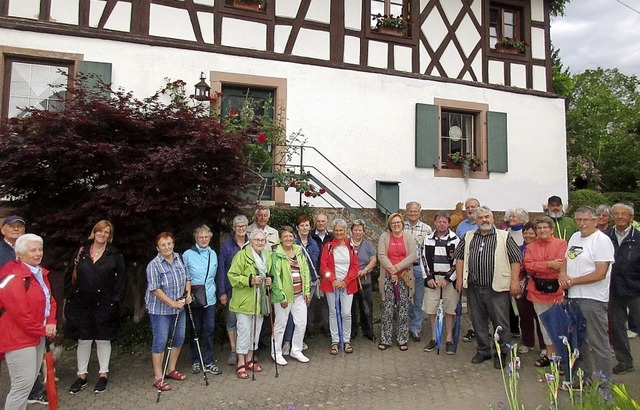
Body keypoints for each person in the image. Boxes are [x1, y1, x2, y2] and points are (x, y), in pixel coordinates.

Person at [454, 206, 522, 369]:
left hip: (497, 288)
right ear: (476, 221)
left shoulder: (504, 236)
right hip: (474, 287)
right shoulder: (468, 236)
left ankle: (502, 353)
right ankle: (483, 350)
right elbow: (460, 258)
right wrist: (459, 279)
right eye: (480, 218)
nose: (484, 220)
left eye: (487, 217)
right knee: (478, 322)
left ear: (492, 219)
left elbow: (515, 260)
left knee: (501, 322)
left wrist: (514, 282)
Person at [64, 220, 126, 395]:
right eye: (100, 231)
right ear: (94, 232)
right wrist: (69, 298)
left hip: (105, 302)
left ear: (110, 235)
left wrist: (115, 302)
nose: (103, 235)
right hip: (81, 302)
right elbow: (69, 276)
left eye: (107, 232)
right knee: (83, 339)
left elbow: (121, 281)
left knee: (103, 338)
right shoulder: (81, 251)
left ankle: (103, 374)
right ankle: (81, 376)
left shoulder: (115, 254)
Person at [0, 234, 57, 409]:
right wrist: (43, 330)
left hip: (36, 334)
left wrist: (51, 322)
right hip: (18, 337)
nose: (38, 253)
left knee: (30, 380)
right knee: (21, 385)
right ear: (21, 253)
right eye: (33, 250)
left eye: (40, 249)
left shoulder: (38, 273)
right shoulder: (13, 276)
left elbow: (50, 300)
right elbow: (20, 313)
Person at [559, 206, 615, 379]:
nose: (582, 224)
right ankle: (585, 379)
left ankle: (605, 384)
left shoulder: (602, 241)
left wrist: (573, 281)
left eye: (586, 220)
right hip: (573, 297)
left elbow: (600, 273)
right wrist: (562, 274)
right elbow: (566, 260)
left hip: (593, 299)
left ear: (595, 221)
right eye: (579, 220)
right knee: (579, 342)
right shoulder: (575, 237)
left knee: (598, 343)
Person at [145, 232, 191, 392]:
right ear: (157, 248)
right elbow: (155, 290)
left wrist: (188, 294)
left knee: (179, 337)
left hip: (179, 307)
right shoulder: (154, 265)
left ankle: (171, 369)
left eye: (169, 243)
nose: (167, 247)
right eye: (163, 245)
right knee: (161, 340)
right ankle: (158, 377)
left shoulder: (180, 258)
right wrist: (173, 303)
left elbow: (187, 278)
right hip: (160, 310)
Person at [523, 216, 567, 367]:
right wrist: (549, 264)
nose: (542, 231)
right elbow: (529, 266)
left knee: (559, 324)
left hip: (557, 291)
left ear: (552, 230)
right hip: (537, 290)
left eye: (545, 228)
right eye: (539, 228)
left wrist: (540, 265)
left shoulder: (561, 244)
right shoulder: (530, 247)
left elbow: (561, 263)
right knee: (544, 325)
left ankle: (562, 357)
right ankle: (549, 355)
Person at [227, 230, 272, 379]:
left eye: (262, 240)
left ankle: (250, 359)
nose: (260, 242)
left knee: (256, 331)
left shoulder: (267, 256)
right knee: (244, 331)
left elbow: (268, 274)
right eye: (257, 240)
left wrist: (268, 281)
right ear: (251, 241)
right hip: (244, 301)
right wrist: (248, 281)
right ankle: (240, 362)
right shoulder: (241, 255)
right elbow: (232, 276)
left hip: (259, 301)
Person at [183, 225, 222, 375]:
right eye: (201, 237)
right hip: (195, 297)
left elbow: (215, 275)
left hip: (210, 297)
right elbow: (184, 276)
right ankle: (195, 360)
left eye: (206, 237)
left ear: (210, 238)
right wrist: (187, 293)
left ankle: (209, 360)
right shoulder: (187, 254)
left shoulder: (213, 254)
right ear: (196, 239)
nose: (204, 239)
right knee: (195, 329)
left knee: (210, 329)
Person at [606, 203, 640, 375]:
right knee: (618, 327)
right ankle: (625, 362)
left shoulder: (638, 237)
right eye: (616, 214)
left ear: (631, 217)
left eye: (623, 214)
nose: (620, 217)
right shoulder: (606, 237)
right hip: (613, 289)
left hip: (635, 289)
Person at [270, 226, 311, 365]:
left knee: (301, 323)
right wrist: (281, 297)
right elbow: (275, 277)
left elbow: (305, 271)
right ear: (280, 239)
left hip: (299, 295)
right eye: (285, 236)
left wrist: (306, 291)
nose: (288, 239)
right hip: (284, 297)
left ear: (294, 237)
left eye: (290, 236)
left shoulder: (299, 251)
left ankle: (296, 350)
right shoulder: (276, 254)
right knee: (280, 325)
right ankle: (276, 352)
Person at [421, 212, 460, 355]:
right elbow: (423, 259)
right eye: (439, 222)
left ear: (448, 223)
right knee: (432, 309)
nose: (441, 224)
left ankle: (449, 339)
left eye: (444, 222)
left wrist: (448, 278)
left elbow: (458, 262)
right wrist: (429, 278)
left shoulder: (455, 240)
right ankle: (434, 337)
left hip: (449, 280)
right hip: (433, 279)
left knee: (450, 310)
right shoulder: (428, 239)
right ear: (435, 223)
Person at [378, 213, 417, 351]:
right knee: (387, 308)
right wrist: (392, 271)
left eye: (398, 222)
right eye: (393, 223)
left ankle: (402, 338)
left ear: (402, 223)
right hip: (388, 277)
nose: (396, 225)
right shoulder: (384, 237)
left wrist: (398, 269)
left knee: (403, 308)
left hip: (404, 277)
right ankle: (385, 338)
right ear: (389, 225)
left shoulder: (408, 237)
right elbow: (381, 255)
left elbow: (413, 255)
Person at [320, 218, 359, 355]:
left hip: (347, 285)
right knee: (333, 312)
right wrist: (333, 279)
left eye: (341, 230)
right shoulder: (328, 247)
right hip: (332, 286)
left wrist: (345, 281)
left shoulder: (352, 247)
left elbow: (355, 267)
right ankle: (335, 340)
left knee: (346, 313)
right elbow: (323, 267)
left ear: (345, 231)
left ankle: (346, 340)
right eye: (336, 230)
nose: (338, 232)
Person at [282, 215, 320, 354]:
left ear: (310, 227)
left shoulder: (314, 244)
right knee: (291, 315)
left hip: (310, 283)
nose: (305, 228)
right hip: (293, 283)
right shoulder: (292, 242)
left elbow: (316, 264)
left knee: (301, 315)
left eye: (307, 225)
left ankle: (297, 341)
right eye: (302, 225)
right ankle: (287, 341)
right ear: (297, 227)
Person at [217, 215, 249, 366]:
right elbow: (222, 269)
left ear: (247, 227)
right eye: (238, 226)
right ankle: (234, 350)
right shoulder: (227, 246)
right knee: (232, 321)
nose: (241, 229)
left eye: (243, 226)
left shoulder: (253, 243)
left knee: (248, 322)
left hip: (249, 290)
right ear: (234, 228)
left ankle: (248, 351)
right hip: (232, 290)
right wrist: (222, 292)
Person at [514, 222, 545, 355]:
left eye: (531, 232)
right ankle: (527, 342)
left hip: (539, 285)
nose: (528, 235)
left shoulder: (540, 248)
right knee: (524, 315)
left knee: (540, 316)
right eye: (525, 233)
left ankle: (544, 345)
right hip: (522, 286)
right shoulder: (519, 249)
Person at [403, 201, 432, 342]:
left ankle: (416, 328)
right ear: (406, 212)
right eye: (410, 211)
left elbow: (429, 250)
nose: (412, 214)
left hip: (419, 267)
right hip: (404, 268)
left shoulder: (427, 229)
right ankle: (405, 325)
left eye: (415, 211)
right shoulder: (400, 227)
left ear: (419, 213)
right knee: (406, 298)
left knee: (419, 299)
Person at [455, 198, 480, 343]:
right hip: (467, 268)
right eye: (468, 207)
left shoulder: (485, 222)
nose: (470, 209)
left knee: (485, 301)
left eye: (473, 206)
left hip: (483, 268)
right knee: (471, 301)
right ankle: (473, 327)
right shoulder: (461, 226)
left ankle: (487, 329)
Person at [349, 219, 377, 341]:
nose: (357, 232)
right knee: (351, 307)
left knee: (366, 306)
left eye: (360, 230)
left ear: (364, 232)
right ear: (351, 231)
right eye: (355, 230)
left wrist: (364, 270)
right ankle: (352, 330)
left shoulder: (368, 245)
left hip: (364, 280)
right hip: (350, 281)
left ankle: (368, 330)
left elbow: (373, 260)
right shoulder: (346, 244)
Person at [504, 208, 529, 338]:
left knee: (522, 305)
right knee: (508, 304)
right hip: (506, 272)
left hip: (522, 274)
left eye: (515, 217)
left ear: (523, 219)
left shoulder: (526, 233)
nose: (512, 219)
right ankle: (513, 329)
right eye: (510, 216)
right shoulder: (504, 232)